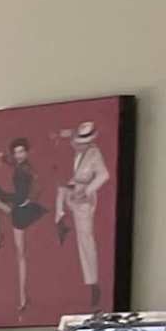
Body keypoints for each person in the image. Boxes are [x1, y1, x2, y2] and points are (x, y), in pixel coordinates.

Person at [0, 132, 47, 318]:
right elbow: (17, 165)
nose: (19, 155)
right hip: (18, 204)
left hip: (21, 208)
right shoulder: (20, 165)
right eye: (16, 152)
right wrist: (5, 159)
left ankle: (22, 297)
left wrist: (30, 199)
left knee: (21, 254)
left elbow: (37, 181)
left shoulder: (27, 169)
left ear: (27, 152)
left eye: (22, 151)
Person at [58, 118, 116, 308]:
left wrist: (88, 189)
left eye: (82, 142)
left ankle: (93, 283)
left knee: (85, 238)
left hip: (83, 198)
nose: (78, 145)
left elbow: (104, 175)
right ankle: (61, 221)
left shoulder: (94, 154)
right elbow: (67, 135)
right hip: (71, 192)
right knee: (60, 199)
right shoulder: (78, 149)